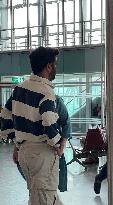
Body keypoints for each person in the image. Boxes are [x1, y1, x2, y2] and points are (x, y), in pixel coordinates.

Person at [0, 47, 64, 205]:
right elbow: (49, 122)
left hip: (25, 153)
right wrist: (58, 144)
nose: (55, 68)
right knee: (43, 198)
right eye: (55, 64)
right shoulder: (46, 92)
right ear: (49, 66)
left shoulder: (19, 89)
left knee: (43, 196)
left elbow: (5, 117)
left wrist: (16, 142)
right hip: (42, 154)